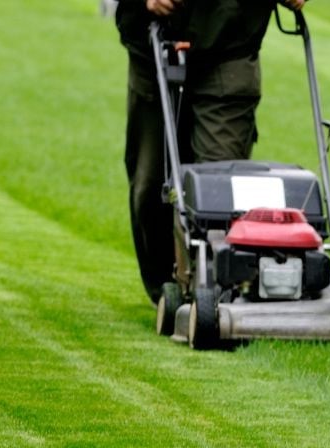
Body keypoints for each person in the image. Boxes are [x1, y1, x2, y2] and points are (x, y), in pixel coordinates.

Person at [116, 0, 306, 303]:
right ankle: (167, 292)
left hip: (231, 46)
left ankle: (215, 292)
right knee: (149, 188)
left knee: (220, 193)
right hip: (152, 44)